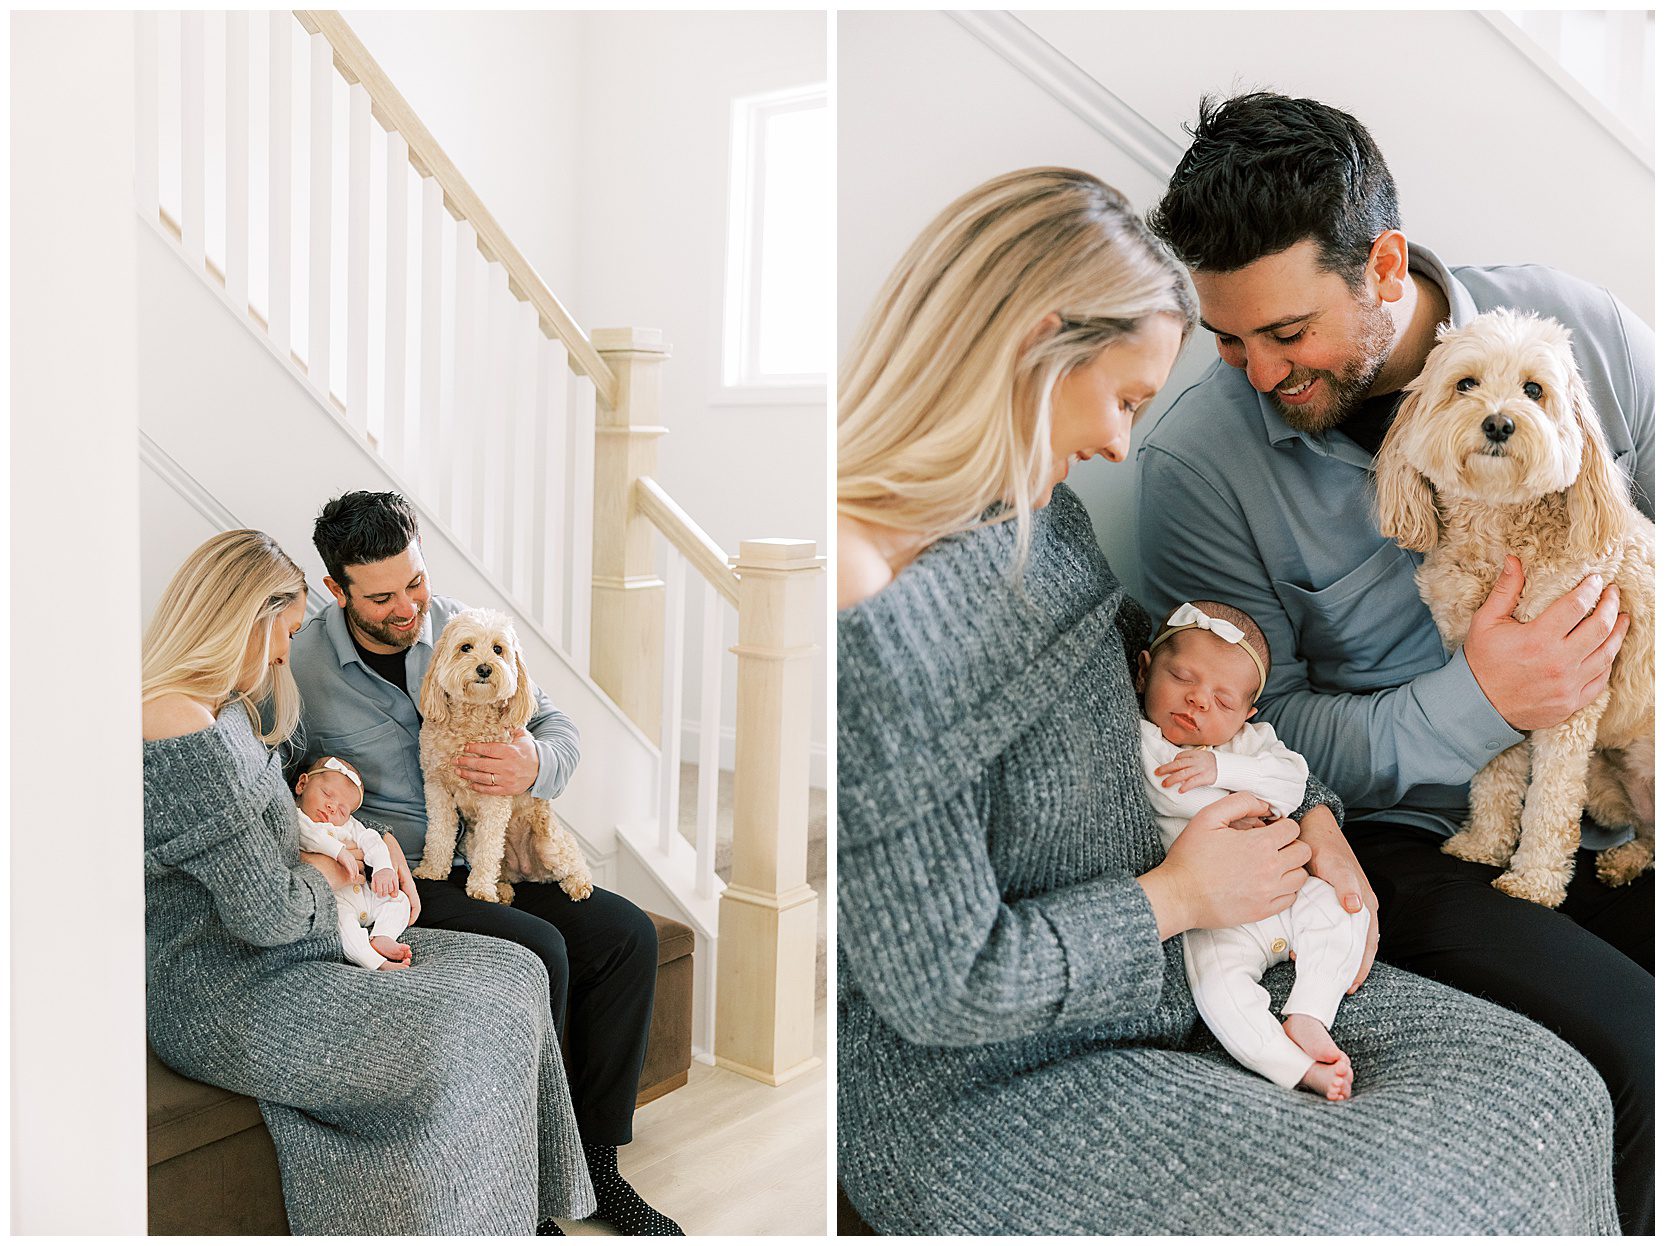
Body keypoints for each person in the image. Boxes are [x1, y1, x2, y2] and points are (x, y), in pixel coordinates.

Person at [836, 165, 1618, 1234]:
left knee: (1554, 1088)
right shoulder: (867, 604)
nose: (1121, 444)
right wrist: (1177, 898)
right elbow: (943, 987)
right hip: (996, 1066)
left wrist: (1314, 818)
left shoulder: (1035, 512)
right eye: (1122, 398)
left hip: (1189, 947)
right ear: (1035, 344)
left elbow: (1179, 678)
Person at [1139, 91, 1653, 1233]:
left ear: (1380, 266)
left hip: (1628, 785)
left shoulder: (1587, 339)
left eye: (1286, 333)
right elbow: (1252, 737)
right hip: (1410, 840)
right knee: (1644, 1053)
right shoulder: (1199, 464)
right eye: (1226, 337)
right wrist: (1480, 700)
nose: (1257, 371)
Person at [142, 529, 594, 1234]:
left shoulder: (228, 702)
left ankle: (521, 1212)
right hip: (223, 984)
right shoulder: (175, 724)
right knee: (456, 1028)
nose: (289, 650)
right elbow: (263, 916)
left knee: (517, 972)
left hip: (301, 937)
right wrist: (326, 868)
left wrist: (371, 841)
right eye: (284, 633)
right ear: (244, 620)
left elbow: (300, 778)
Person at [286, 490, 682, 1237]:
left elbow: (557, 724)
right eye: (382, 596)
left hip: (501, 853)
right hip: (407, 875)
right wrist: (333, 854)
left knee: (629, 937)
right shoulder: (304, 664)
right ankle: (532, 1181)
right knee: (543, 949)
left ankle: (599, 1168)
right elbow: (282, 775)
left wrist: (534, 759)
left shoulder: (465, 628)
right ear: (337, 591)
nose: (407, 607)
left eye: (415, 582)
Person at [1137, 601, 1368, 1101]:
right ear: (1143, 671)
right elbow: (1169, 790)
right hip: (1215, 917)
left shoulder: (1251, 743)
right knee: (1220, 993)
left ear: (1247, 714)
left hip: (1289, 890)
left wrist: (1225, 773)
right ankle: (1295, 1067)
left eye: (1223, 702)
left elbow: (1293, 780)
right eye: (1182, 677)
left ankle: (1309, 1012)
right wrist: (1245, 800)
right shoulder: (1147, 741)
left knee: (1344, 912)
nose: (1198, 702)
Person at [293, 754, 413, 971]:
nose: (332, 808)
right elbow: (308, 837)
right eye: (327, 794)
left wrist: (383, 868)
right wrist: (339, 852)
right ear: (302, 784)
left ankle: (382, 936)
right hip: (338, 901)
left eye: (342, 810)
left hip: (365, 894)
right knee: (345, 930)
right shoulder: (298, 817)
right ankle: (376, 963)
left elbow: (372, 839)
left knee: (399, 900)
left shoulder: (349, 825)